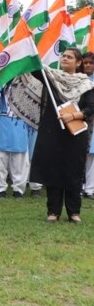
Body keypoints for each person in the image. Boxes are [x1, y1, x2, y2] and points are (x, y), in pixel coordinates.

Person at [29, 48, 94, 223]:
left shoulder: (86, 84)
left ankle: (74, 211)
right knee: (54, 169)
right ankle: (53, 211)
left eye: (69, 57)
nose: (64, 58)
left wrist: (72, 116)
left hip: (75, 133)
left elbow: (90, 108)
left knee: (73, 170)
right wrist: (28, 47)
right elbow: (35, 69)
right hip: (53, 131)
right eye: (63, 56)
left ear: (78, 62)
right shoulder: (52, 78)